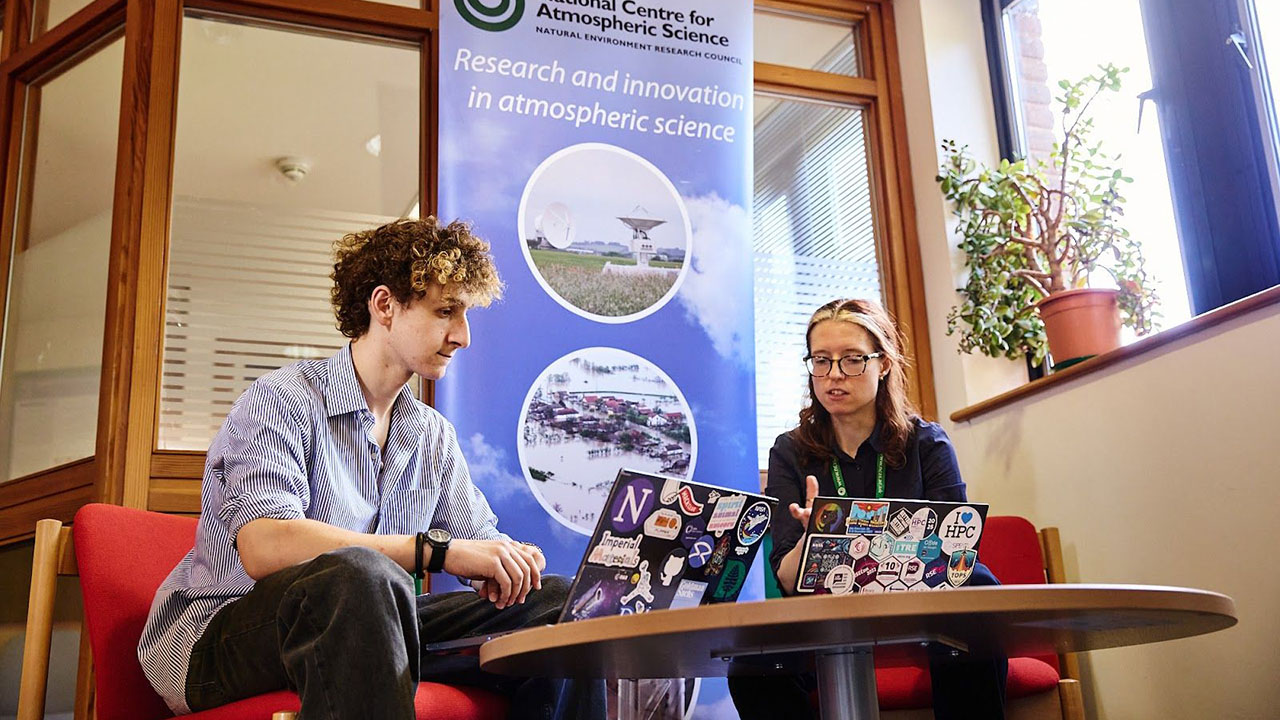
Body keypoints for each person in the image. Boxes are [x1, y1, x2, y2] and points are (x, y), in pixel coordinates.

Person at [138, 218, 605, 720]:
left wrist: (509, 563)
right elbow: (266, 546)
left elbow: (475, 544)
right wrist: (435, 552)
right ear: (385, 306)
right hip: (215, 641)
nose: (463, 336)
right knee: (359, 575)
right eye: (446, 311)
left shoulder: (431, 435)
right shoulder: (281, 400)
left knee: (560, 604)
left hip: (373, 622)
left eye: (465, 315)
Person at [729, 297, 1007, 720]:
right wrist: (810, 540)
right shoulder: (791, 451)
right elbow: (786, 578)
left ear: (884, 364)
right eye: (821, 361)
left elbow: (959, 552)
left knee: (973, 636)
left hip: (920, 608)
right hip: (823, 616)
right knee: (752, 672)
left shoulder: (926, 443)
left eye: (852, 360)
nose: (834, 375)